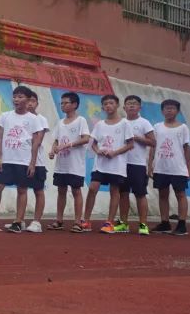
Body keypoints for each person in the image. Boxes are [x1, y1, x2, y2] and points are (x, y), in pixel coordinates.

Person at [0, 85, 44, 233]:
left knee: (22, 190)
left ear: (28, 99)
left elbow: (35, 143)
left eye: (20, 97)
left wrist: (32, 163)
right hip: (7, 160)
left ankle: (18, 221)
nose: (16, 99)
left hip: (23, 161)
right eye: (15, 96)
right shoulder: (5, 116)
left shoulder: (33, 119)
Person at [82, 94, 133, 233]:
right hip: (100, 164)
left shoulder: (125, 123)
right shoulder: (99, 124)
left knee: (114, 191)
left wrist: (114, 153)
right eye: (105, 104)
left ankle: (109, 222)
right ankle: (86, 220)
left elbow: (130, 144)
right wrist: (98, 151)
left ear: (116, 105)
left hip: (116, 165)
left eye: (111, 103)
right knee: (93, 188)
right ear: (102, 107)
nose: (108, 106)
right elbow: (92, 142)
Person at [147, 99, 190, 236]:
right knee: (162, 194)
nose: (169, 110)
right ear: (162, 111)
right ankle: (165, 223)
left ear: (177, 111)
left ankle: (182, 224)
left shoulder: (183, 128)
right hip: (161, 167)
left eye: (172, 108)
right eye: (166, 108)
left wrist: (189, 168)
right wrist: (150, 165)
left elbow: (186, 148)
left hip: (178, 167)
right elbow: (153, 146)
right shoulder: (157, 127)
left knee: (180, 194)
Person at [48, 91, 91, 232]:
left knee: (76, 191)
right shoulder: (60, 123)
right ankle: (59, 220)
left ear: (74, 104)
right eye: (61, 103)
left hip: (75, 165)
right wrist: (53, 150)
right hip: (62, 165)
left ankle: (78, 221)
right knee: (61, 191)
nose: (63, 105)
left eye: (66, 103)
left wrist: (68, 145)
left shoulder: (81, 121)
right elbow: (56, 140)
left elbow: (86, 138)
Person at [117, 95, 155, 235]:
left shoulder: (144, 123)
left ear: (139, 107)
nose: (131, 106)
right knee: (123, 194)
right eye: (129, 104)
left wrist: (137, 138)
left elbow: (153, 142)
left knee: (140, 194)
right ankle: (123, 223)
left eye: (134, 104)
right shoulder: (120, 122)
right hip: (121, 163)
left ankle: (143, 224)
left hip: (138, 164)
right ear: (124, 107)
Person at [25, 91, 50, 233]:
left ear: (37, 103)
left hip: (37, 163)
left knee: (38, 191)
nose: (29, 103)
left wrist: (32, 162)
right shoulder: (20, 118)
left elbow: (37, 141)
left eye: (33, 101)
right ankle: (19, 220)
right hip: (22, 161)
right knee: (21, 190)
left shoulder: (41, 119)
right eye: (27, 100)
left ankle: (36, 221)